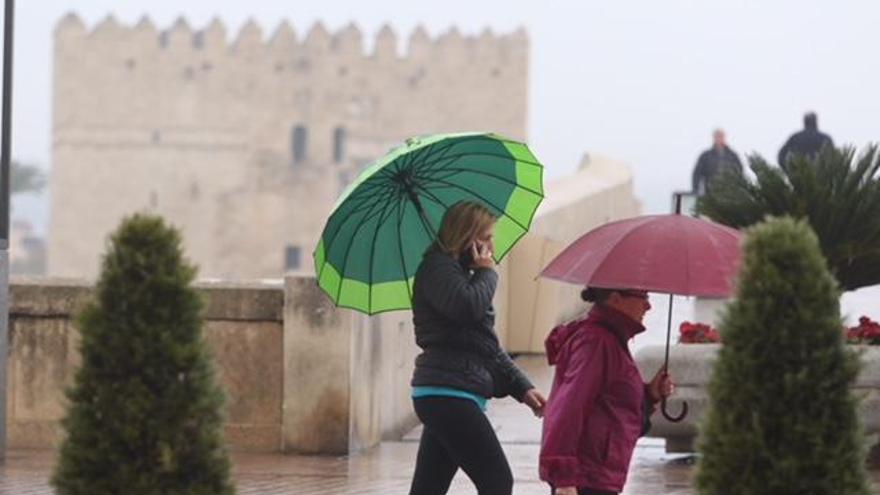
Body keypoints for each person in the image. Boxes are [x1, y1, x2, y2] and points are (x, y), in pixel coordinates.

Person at [408, 200, 547, 495]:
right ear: (467, 237)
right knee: (497, 481)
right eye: (486, 238)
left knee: (428, 488)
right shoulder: (437, 269)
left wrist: (522, 388)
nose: (491, 246)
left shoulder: (458, 274)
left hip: (446, 394)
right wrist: (488, 272)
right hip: (448, 394)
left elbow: (485, 344)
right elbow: (466, 307)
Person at [539, 287, 675, 495]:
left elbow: (611, 407)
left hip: (597, 474)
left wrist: (649, 395)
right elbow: (568, 408)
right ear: (616, 299)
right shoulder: (596, 341)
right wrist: (564, 478)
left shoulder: (610, 338)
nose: (648, 305)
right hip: (587, 477)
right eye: (643, 297)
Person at [691, 128, 743, 195]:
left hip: (729, 193)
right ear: (714, 138)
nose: (719, 138)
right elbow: (696, 174)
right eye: (717, 136)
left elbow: (739, 172)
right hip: (710, 193)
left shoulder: (732, 156)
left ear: (724, 138)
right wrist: (695, 189)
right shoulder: (705, 156)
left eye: (721, 136)